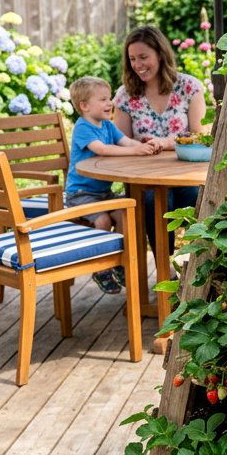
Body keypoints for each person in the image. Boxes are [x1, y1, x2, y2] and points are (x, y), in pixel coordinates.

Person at [113, 25, 207, 253]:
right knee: (151, 202)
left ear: (160, 54)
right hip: (144, 179)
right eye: (132, 59)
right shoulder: (126, 95)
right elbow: (120, 140)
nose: (138, 65)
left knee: (202, 201)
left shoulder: (188, 87)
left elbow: (200, 135)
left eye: (143, 57)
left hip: (183, 177)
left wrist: (165, 143)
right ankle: (166, 270)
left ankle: (201, 266)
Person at [65, 76, 159, 293]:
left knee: (127, 215)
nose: (110, 104)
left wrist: (146, 147)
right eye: (103, 99)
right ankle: (102, 268)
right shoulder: (83, 128)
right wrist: (135, 151)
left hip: (103, 193)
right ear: (85, 106)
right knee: (104, 220)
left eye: (109, 99)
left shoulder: (107, 125)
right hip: (80, 193)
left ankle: (120, 262)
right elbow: (103, 149)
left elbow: (127, 142)